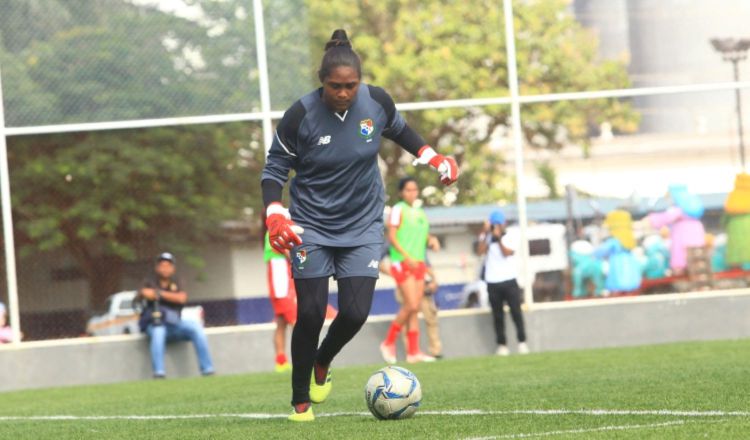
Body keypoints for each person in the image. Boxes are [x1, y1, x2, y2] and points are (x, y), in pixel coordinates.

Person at [260, 29, 459, 422]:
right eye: (336, 86)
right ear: (323, 82)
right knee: (312, 313)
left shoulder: (377, 101)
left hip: (363, 222)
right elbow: (274, 169)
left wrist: (435, 159)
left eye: (351, 85)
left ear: (359, 82)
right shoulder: (300, 115)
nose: (344, 93)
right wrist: (274, 212)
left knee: (354, 313)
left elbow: (401, 131)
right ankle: (301, 400)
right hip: (310, 225)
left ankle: (322, 361)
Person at [380, 177, 438, 363]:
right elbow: (392, 236)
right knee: (411, 305)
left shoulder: (420, 212)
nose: (412, 193)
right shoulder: (398, 210)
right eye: (408, 190)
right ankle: (388, 341)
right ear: (401, 192)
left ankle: (414, 353)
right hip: (402, 262)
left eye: (414, 190)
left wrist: (432, 239)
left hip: (419, 264)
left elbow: (422, 233)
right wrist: (407, 256)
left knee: (415, 309)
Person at [137, 252, 215, 378]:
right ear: (157, 267)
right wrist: (165, 295)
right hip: (156, 324)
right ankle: (159, 373)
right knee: (158, 333)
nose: (165, 269)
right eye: (162, 265)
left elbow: (181, 298)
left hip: (174, 324)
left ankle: (207, 369)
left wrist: (159, 294)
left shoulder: (177, 281)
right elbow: (145, 293)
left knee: (195, 327)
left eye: (168, 265)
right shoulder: (149, 280)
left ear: (173, 268)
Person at [477, 210, 529, 356]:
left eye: (500, 223)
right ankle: (502, 345)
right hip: (492, 281)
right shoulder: (486, 236)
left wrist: (498, 238)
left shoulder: (510, 235)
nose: (498, 226)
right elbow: (480, 252)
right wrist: (487, 235)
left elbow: (507, 253)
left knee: (516, 313)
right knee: (497, 315)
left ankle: (522, 342)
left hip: (509, 280)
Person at [264, 231, 297, 372]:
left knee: (282, 321)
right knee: (296, 322)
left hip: (281, 272)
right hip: (280, 274)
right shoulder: (277, 225)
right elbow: (286, 250)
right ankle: (305, 358)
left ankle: (281, 361)